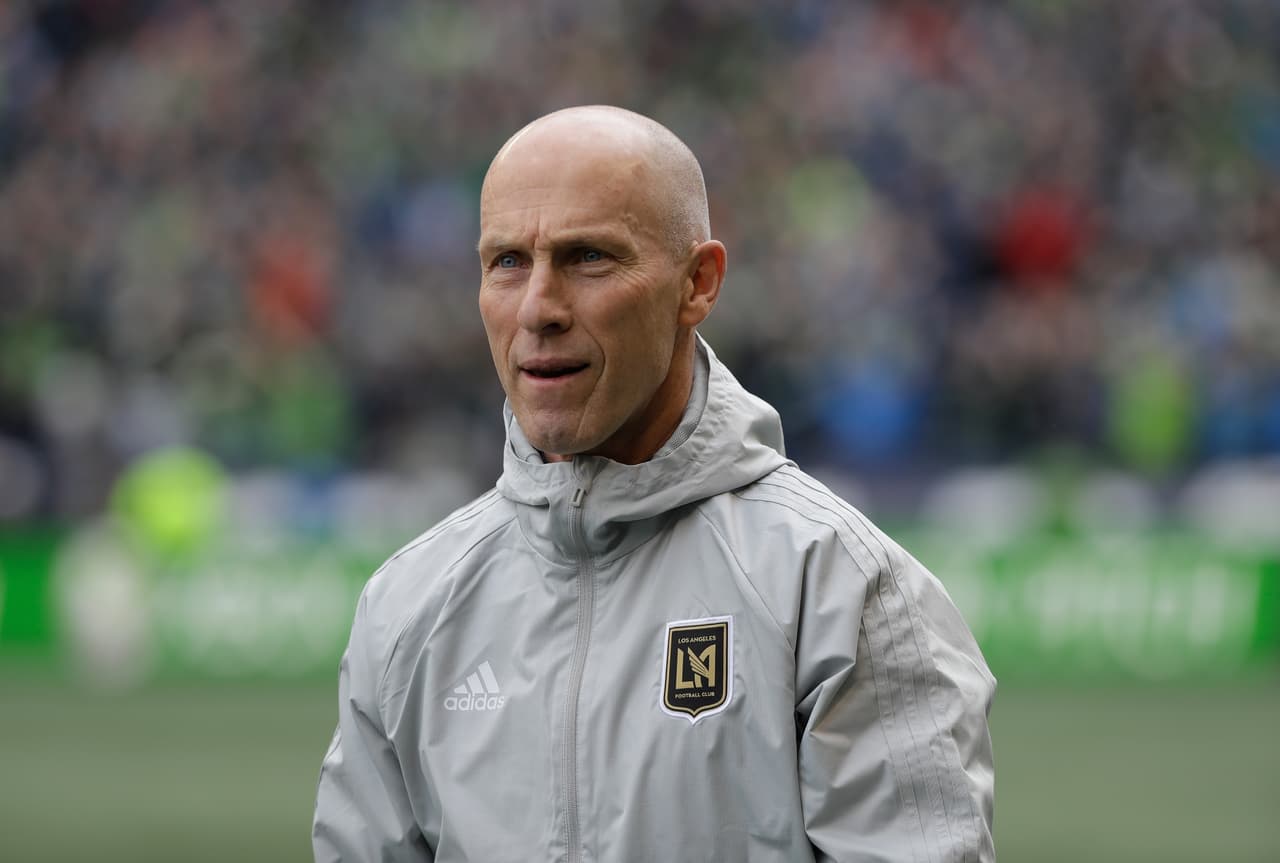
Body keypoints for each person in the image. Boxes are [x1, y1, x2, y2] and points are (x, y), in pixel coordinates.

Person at [313, 105, 996, 862]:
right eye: (507, 261)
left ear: (698, 284)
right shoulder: (406, 609)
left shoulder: (839, 588)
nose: (538, 308)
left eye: (587, 257)